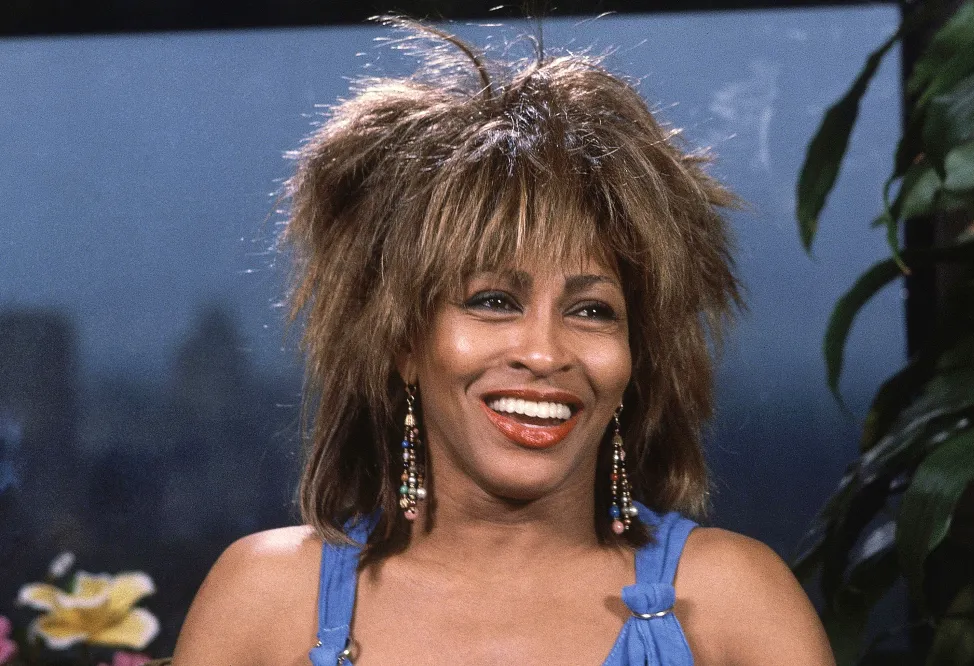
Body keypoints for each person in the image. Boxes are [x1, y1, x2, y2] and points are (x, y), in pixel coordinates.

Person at [171, 18, 835, 666]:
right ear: (402, 341)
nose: (544, 354)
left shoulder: (734, 605)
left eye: (593, 310)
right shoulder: (264, 602)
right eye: (493, 301)